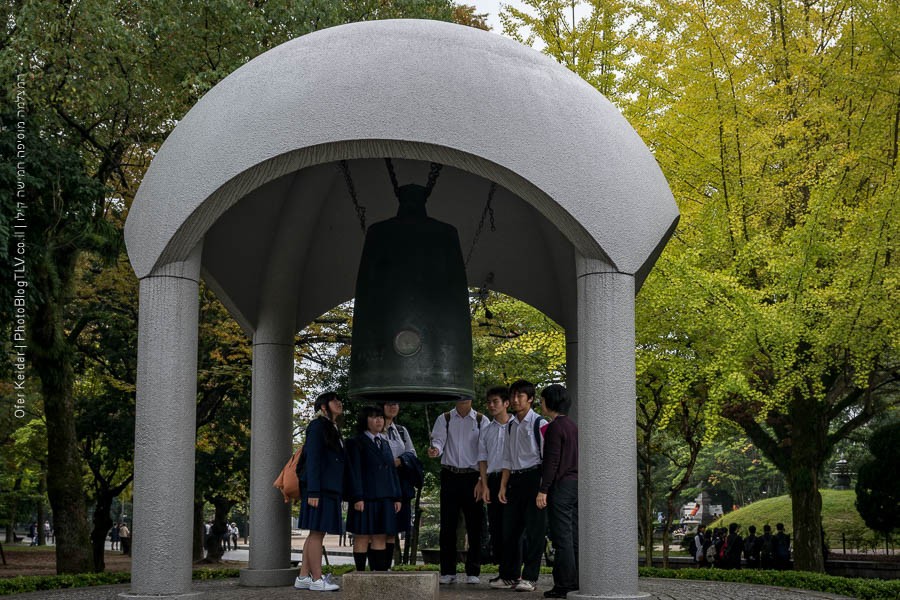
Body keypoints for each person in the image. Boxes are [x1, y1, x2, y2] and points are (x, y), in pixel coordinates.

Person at [492, 379, 548, 593]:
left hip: (534, 478)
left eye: (520, 396)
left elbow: (546, 458)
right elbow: (507, 458)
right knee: (510, 531)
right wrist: (503, 486)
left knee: (535, 531)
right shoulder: (511, 425)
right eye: (513, 396)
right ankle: (508, 575)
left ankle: (531, 577)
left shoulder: (539, 424)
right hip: (514, 480)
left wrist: (544, 489)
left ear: (530, 399)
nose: (515, 400)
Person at [428, 397, 485, 585]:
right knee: (447, 525)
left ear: (471, 398)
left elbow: (484, 451)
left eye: (466, 396)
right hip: (450, 474)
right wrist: (435, 450)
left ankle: (473, 571)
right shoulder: (444, 418)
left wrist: (481, 480)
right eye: (459, 396)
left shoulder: (480, 420)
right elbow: (438, 440)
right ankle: (447, 571)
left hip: (473, 476)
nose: (462, 400)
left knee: (475, 526)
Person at [294, 392, 346, 592]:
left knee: (316, 532)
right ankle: (316, 579)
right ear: (324, 406)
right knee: (316, 533)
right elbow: (313, 460)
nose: (339, 403)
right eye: (334, 401)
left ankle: (303, 576)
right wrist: (314, 491)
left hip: (327, 487)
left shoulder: (332, 427)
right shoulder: (317, 426)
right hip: (319, 488)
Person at [347, 405, 402, 572]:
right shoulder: (355, 442)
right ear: (365, 420)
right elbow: (353, 471)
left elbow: (392, 471)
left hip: (386, 497)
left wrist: (397, 496)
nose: (378, 420)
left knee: (381, 535)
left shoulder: (384, 442)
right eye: (373, 417)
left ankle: (378, 574)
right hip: (365, 497)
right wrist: (357, 497)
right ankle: (360, 574)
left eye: (380, 417)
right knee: (362, 535)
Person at [536, 384, 578, 599]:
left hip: (560, 487)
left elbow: (551, 462)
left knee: (562, 538)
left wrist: (543, 490)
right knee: (573, 536)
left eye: (542, 400)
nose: (540, 403)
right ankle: (576, 580)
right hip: (575, 485)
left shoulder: (554, 427)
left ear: (550, 402)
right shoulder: (572, 426)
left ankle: (564, 585)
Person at [381, 400, 423, 568]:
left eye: (396, 403)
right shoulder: (373, 429)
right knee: (377, 529)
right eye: (389, 403)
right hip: (379, 482)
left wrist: (400, 460)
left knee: (393, 528)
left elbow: (412, 453)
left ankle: (386, 566)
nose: (393, 407)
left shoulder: (401, 430)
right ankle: (376, 567)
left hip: (399, 482)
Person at [477, 386, 512, 580]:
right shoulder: (486, 429)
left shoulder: (517, 425)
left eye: (495, 401)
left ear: (506, 403)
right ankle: (503, 572)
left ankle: (513, 573)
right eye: (489, 402)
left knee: (512, 528)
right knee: (496, 528)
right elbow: (482, 459)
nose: (491, 405)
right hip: (492, 478)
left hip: (513, 479)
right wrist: (485, 485)